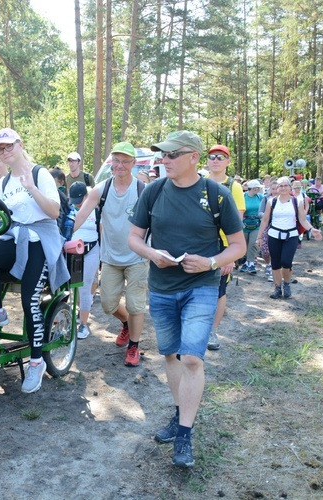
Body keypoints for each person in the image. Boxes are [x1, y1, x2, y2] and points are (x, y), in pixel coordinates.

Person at [127, 130, 245, 468]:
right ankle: (180, 415)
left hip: (202, 287)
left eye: (172, 155)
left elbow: (238, 246)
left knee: (192, 358)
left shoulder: (217, 194)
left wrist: (210, 262)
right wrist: (152, 253)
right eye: (163, 155)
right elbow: (134, 237)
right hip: (162, 288)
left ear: (193, 157)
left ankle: (184, 435)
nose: (165, 160)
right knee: (171, 358)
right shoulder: (153, 190)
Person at [0, 128, 70, 393]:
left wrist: (31, 188)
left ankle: (37, 362)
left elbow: (53, 211)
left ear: (20, 145)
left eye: (8, 147)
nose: (4, 153)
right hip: (16, 236)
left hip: (40, 237)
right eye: (0, 149)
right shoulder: (4, 182)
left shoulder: (39, 174)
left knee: (30, 301)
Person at [72, 142, 149, 367]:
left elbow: (157, 220)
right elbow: (80, 216)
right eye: (116, 160)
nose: (120, 165)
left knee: (136, 305)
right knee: (107, 304)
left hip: (137, 257)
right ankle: (126, 324)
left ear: (134, 164)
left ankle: (134, 346)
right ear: (110, 162)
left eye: (125, 161)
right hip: (110, 258)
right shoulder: (101, 189)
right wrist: (61, 237)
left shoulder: (142, 190)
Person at [204, 145, 244, 351]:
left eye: (221, 157)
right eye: (212, 157)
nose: (216, 160)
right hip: (200, 243)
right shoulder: (199, 183)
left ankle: (212, 330)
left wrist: (230, 255)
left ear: (228, 161)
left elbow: (237, 222)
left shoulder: (233, 186)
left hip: (222, 246)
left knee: (219, 290)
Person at [256, 176, 323, 299]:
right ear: (276, 188)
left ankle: (286, 283)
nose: (282, 188)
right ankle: (277, 288)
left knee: (286, 262)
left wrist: (311, 229)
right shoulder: (272, 201)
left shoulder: (297, 201)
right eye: (280, 186)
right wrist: (259, 238)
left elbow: (302, 219)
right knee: (275, 263)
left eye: (285, 185)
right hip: (274, 235)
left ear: (290, 187)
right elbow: (265, 220)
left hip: (291, 235)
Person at [68, 182, 100, 339]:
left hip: (92, 250)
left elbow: (102, 231)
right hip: (72, 252)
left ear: (87, 196)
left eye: (80, 200)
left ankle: (83, 324)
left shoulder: (97, 210)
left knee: (85, 287)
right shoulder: (69, 209)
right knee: (68, 286)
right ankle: (67, 317)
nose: (78, 204)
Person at [241, 180, 264, 274]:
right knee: (245, 244)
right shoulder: (243, 197)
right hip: (244, 223)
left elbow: (263, 209)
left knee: (253, 243)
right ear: (253, 188)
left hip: (256, 223)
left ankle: (251, 263)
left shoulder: (260, 197)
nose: (258, 189)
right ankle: (245, 262)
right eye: (257, 188)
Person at [258, 181, 279, 281]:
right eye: (273, 189)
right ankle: (268, 263)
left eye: (276, 189)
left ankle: (273, 269)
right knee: (265, 250)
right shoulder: (266, 199)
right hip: (267, 226)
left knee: (276, 249)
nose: (275, 191)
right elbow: (260, 213)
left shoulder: (283, 200)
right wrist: (267, 215)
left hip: (279, 227)